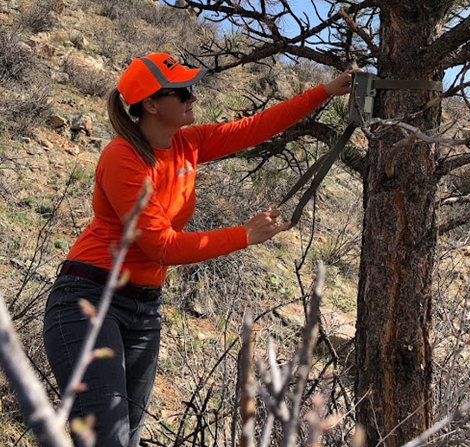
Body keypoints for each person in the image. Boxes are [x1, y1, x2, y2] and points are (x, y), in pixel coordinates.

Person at [43, 52, 352, 447]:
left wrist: (325, 91)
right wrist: (243, 234)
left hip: (143, 309)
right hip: (89, 300)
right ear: (151, 105)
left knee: (127, 437)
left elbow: (256, 127)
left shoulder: (186, 143)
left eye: (192, 88)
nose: (192, 96)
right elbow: (161, 247)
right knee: (109, 437)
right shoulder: (123, 157)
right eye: (181, 91)